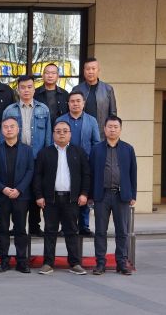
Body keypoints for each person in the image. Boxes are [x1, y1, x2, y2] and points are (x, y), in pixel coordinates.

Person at [34, 121, 91, 276]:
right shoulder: (45, 153)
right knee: (50, 231)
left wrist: (84, 193)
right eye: (58, 131)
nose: (61, 134)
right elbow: (37, 176)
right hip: (50, 200)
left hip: (71, 199)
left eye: (65, 131)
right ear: (53, 134)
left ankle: (75, 263)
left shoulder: (78, 152)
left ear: (70, 134)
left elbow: (86, 174)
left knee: (72, 231)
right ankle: (48, 263)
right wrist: (39, 196)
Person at [3, 75, 53, 237]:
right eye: (23, 87)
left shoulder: (43, 109)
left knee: (35, 191)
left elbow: (48, 136)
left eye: (29, 87)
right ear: (18, 89)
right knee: (18, 191)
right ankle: (17, 225)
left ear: (34, 89)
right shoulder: (9, 110)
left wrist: (48, 155)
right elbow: (3, 134)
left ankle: (34, 225)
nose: (26, 90)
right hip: (17, 157)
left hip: (38, 157)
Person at [90, 116, 136, 276]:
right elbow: (91, 173)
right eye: (110, 126)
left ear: (120, 129)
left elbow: (133, 173)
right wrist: (90, 195)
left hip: (121, 196)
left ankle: (121, 263)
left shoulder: (128, 149)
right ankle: (100, 264)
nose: (112, 129)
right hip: (101, 195)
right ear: (104, 129)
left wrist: (133, 195)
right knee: (100, 231)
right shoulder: (96, 149)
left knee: (122, 231)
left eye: (116, 127)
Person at [0, 117, 34, 273]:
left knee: (20, 229)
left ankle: (22, 261)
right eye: (6, 127)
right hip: (2, 196)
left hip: (21, 196)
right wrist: (3, 188)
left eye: (12, 126)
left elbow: (30, 170)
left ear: (18, 129)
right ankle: (4, 261)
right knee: (3, 228)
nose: (9, 129)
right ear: (2, 130)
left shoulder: (27, 150)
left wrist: (19, 189)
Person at [59, 91, 103, 236]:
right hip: (64, 162)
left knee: (84, 194)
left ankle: (84, 225)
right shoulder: (61, 120)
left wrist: (94, 162)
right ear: (68, 104)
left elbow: (96, 143)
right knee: (66, 195)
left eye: (78, 101)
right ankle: (65, 225)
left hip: (85, 163)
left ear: (83, 103)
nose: (75, 104)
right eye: (72, 101)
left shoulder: (91, 121)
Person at [73, 57, 118, 123]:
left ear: (98, 70)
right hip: (82, 128)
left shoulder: (108, 89)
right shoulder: (77, 89)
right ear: (84, 71)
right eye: (88, 69)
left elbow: (113, 113)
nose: (90, 72)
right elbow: (72, 112)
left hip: (101, 128)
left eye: (93, 69)